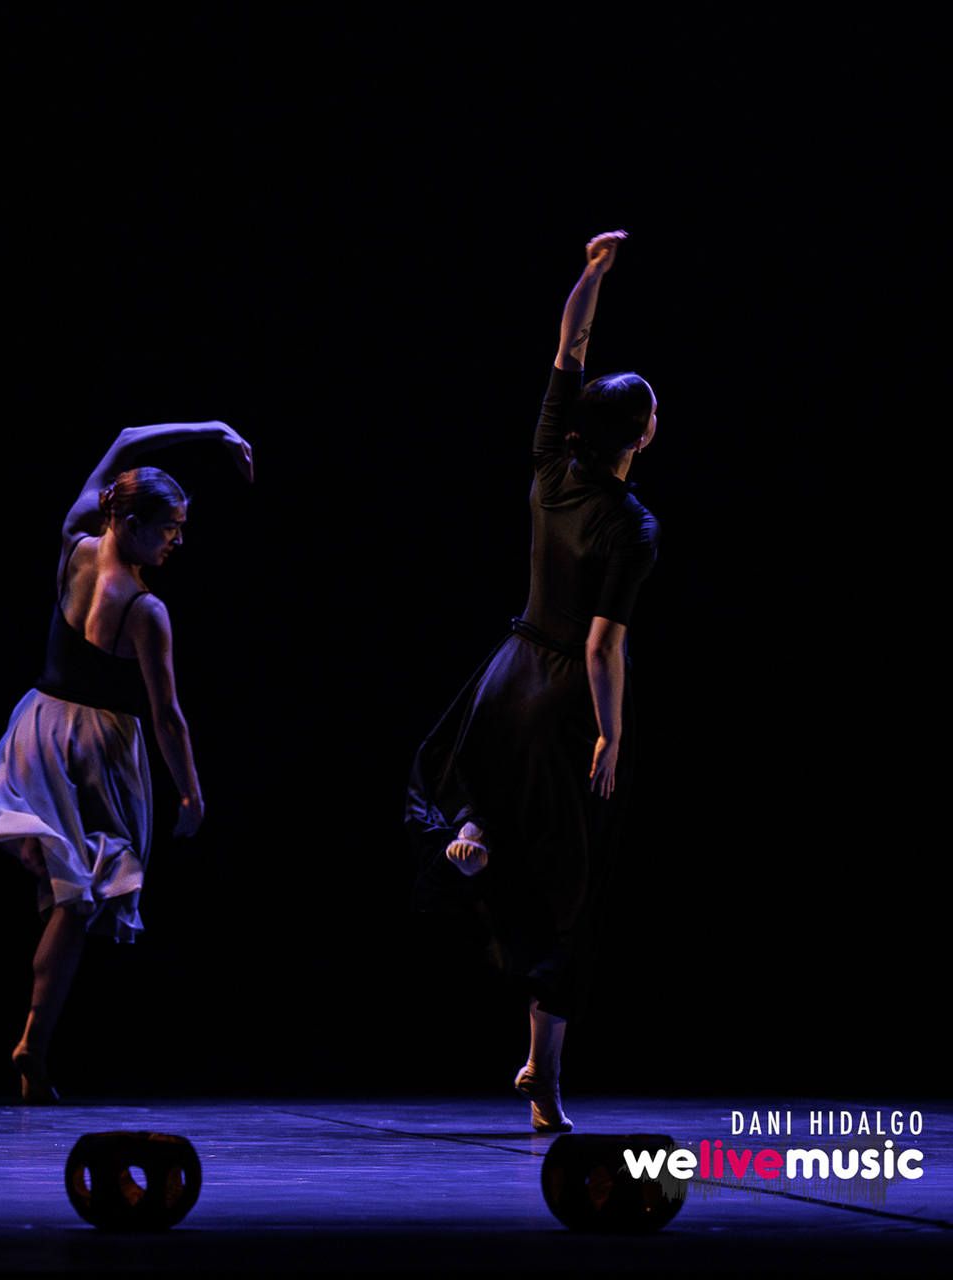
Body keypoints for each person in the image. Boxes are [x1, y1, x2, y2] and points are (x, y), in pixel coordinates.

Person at [0, 422, 253, 1102]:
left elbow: (124, 438)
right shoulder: (146, 610)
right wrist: (190, 791)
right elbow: (167, 714)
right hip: (97, 748)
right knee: (86, 891)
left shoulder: (76, 541)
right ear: (130, 522)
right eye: (169, 529)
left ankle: (34, 1024)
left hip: (38, 726)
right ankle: (33, 1042)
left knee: (71, 883)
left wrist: (210, 431)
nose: (177, 541)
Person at [405, 230, 659, 1133]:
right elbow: (603, 647)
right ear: (645, 437)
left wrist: (590, 275)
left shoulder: (551, 462)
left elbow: (569, 347)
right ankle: (544, 1078)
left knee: (488, 795)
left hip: (505, 675)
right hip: (563, 701)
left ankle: (471, 833)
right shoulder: (633, 524)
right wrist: (611, 732)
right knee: (573, 887)